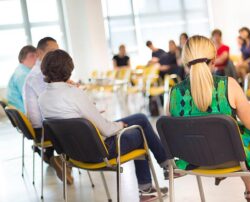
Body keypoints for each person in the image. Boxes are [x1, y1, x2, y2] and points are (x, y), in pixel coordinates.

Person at [38, 49, 172, 198]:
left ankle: (165, 165)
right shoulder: (74, 94)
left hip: (73, 153)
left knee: (140, 118)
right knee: (139, 132)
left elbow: (73, 116)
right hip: (100, 151)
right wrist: (120, 125)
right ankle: (155, 180)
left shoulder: (42, 99)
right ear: (67, 70)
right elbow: (107, 130)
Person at [167, 35, 250, 202]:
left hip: (194, 161)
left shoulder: (174, 94)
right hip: (232, 158)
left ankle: (249, 188)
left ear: (185, 62)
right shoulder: (228, 85)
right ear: (214, 60)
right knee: (244, 133)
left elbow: (173, 131)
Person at [23, 37, 72, 184]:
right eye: (52, 51)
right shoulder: (39, 74)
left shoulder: (40, 72)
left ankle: (62, 160)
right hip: (43, 130)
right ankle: (66, 161)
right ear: (39, 53)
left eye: (57, 51)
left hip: (42, 127)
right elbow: (56, 102)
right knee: (82, 125)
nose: (56, 55)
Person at [7, 45, 37, 113]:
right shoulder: (23, 75)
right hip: (23, 111)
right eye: (32, 56)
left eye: (36, 56)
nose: (35, 59)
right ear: (22, 59)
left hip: (19, 110)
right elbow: (29, 99)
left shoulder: (21, 70)